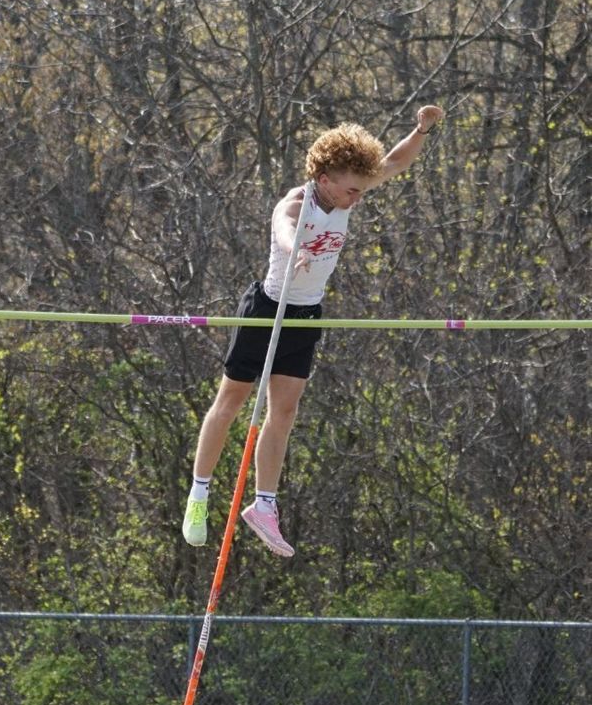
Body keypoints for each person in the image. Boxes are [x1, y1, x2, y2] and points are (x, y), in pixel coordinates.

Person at [182, 105, 444, 557]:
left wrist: (421, 129)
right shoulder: (295, 203)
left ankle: (264, 505)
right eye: (350, 191)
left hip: (305, 315)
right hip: (266, 310)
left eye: (361, 190)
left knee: (283, 412)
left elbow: (398, 162)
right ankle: (199, 496)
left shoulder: (351, 187)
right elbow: (284, 230)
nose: (356, 199)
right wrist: (297, 249)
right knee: (230, 403)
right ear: (324, 179)